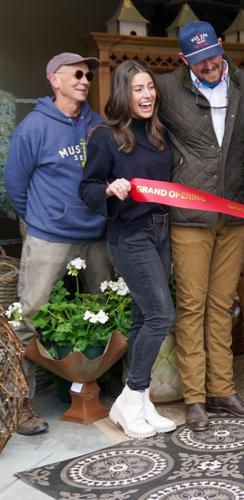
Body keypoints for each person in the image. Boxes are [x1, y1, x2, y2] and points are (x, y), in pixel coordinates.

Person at [156, 20, 244, 431]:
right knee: (191, 305)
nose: (210, 66)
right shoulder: (166, 90)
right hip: (188, 216)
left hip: (235, 213)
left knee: (223, 304)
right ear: (185, 60)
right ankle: (195, 398)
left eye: (214, 56)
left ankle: (223, 389)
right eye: (200, 62)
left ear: (221, 46)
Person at [4, 52, 111, 436]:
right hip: (50, 236)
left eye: (87, 75)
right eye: (77, 74)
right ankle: (21, 405)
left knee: (107, 312)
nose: (84, 80)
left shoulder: (96, 123)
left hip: (96, 236)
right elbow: (16, 185)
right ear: (54, 80)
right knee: (29, 317)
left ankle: (99, 391)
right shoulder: (33, 127)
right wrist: (40, 221)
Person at [79, 60, 176, 439]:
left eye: (150, 87)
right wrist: (108, 188)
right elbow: (86, 188)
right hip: (129, 234)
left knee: (142, 318)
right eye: (138, 89)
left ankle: (140, 399)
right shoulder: (105, 136)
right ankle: (131, 396)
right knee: (160, 315)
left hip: (160, 232)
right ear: (123, 93)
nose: (148, 94)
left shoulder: (158, 133)